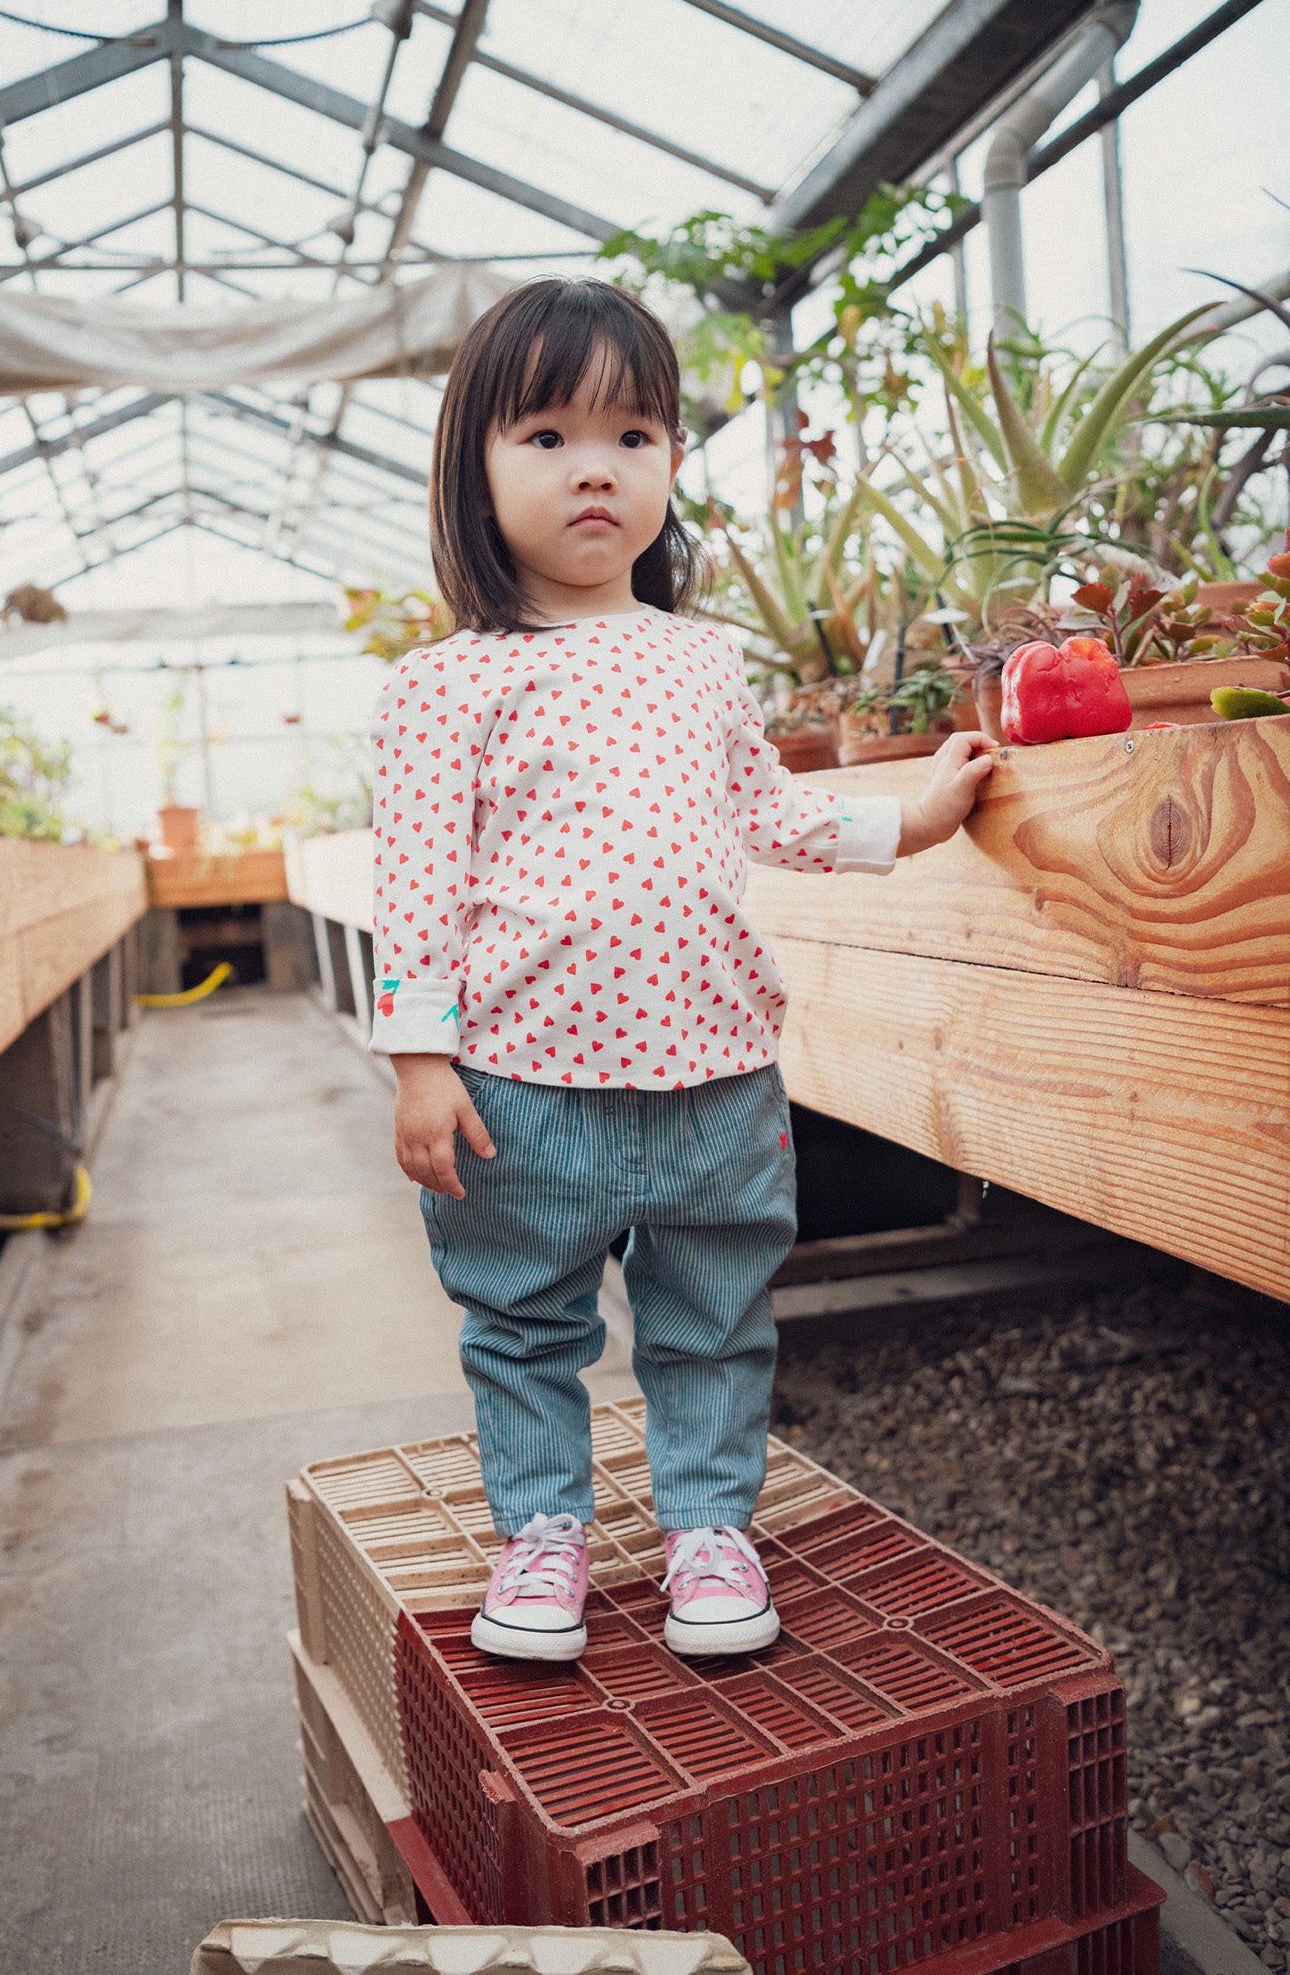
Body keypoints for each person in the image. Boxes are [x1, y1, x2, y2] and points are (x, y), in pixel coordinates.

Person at [368, 277, 993, 1665]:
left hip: (717, 1075)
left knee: (712, 1324)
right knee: (523, 1329)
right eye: (545, 436)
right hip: (519, 1091)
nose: (596, 466)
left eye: (634, 434)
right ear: (472, 471)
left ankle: (709, 1530)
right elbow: (411, 887)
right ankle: (545, 1536)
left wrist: (914, 817)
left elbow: (769, 813)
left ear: (667, 465)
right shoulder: (446, 684)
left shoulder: (703, 662)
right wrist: (419, 1064)